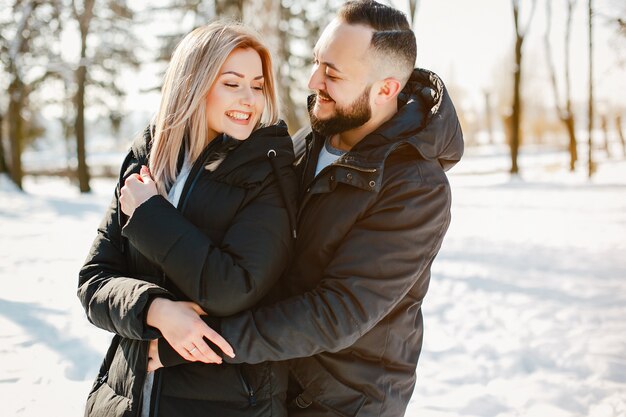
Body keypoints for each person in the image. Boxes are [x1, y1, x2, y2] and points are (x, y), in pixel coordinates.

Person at [153, 1, 465, 416]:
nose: (313, 79)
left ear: (386, 89)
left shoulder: (416, 188)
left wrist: (197, 340)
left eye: (332, 74)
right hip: (267, 380)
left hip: (340, 401)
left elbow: (337, 312)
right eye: (317, 62)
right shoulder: (305, 142)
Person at [77, 21, 298, 417]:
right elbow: (94, 282)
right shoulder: (148, 158)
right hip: (127, 394)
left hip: (227, 401)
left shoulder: (268, 171)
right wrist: (154, 309)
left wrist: (149, 215)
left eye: (258, 85)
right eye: (232, 83)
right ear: (193, 84)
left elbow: (233, 287)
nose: (249, 99)